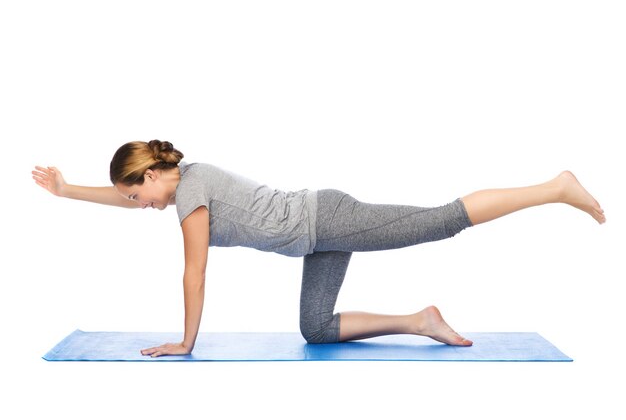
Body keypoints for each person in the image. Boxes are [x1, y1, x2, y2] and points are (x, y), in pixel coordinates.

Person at [32, 139, 606, 358]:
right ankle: (421, 320)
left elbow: (194, 273)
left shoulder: (192, 197)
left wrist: (187, 342)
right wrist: (65, 191)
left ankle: (555, 187)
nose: (141, 206)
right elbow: (122, 198)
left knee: (439, 222)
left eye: (141, 195)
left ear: (158, 172)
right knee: (316, 327)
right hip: (314, 238)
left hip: (328, 220)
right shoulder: (182, 184)